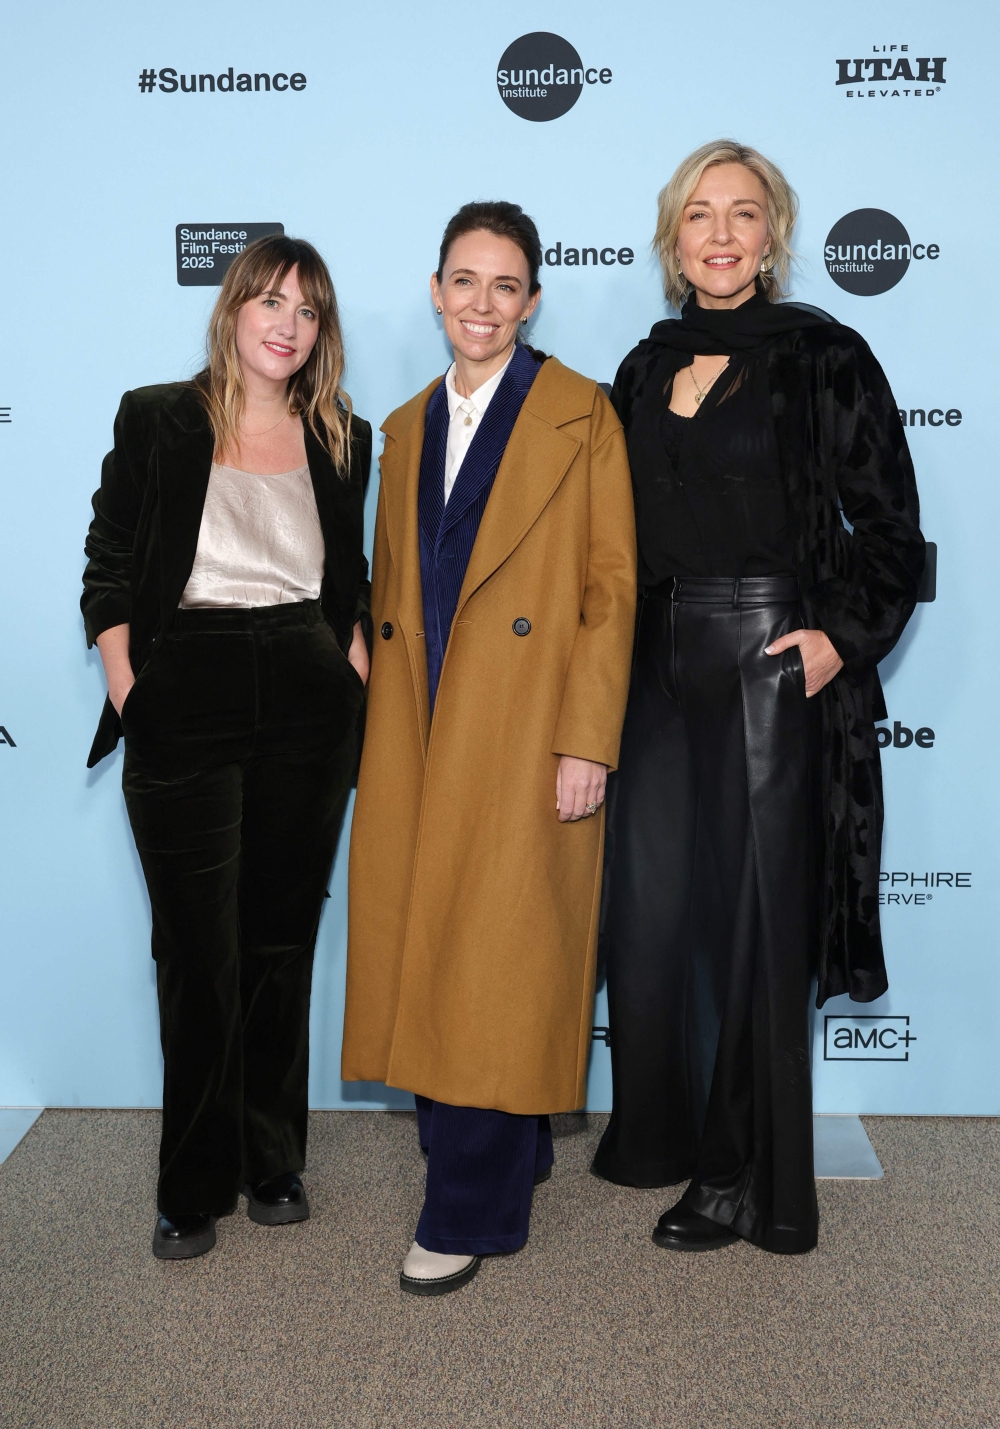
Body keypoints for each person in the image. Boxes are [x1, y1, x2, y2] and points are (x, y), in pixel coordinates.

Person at [592, 142, 924, 1255]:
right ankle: (664, 1133)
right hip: (653, 664)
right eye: (699, 215)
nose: (721, 234)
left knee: (749, 925)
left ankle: (743, 1178)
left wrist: (838, 638)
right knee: (650, 915)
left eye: (743, 214)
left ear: (773, 236)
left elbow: (889, 533)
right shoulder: (643, 368)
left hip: (766, 661)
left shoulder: (825, 358)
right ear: (671, 237)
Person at [342, 201, 636, 1295]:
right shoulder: (405, 424)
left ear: (533, 299)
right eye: (464, 281)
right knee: (432, 952)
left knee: (496, 966)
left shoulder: (583, 414)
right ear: (434, 290)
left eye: (505, 285)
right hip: (420, 733)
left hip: (525, 734)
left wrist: (586, 742)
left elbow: (610, 598)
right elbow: (388, 585)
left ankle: (469, 1206)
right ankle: (501, 1156)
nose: (482, 304)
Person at [81, 236, 372, 1260]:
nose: (287, 323)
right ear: (234, 310)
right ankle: (191, 1180)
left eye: (307, 309)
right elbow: (110, 559)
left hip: (306, 693)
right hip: (186, 685)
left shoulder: (344, 435)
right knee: (195, 952)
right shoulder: (158, 415)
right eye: (270, 301)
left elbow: (349, 587)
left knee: (278, 941)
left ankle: (271, 1157)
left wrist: (357, 684)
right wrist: (131, 683)